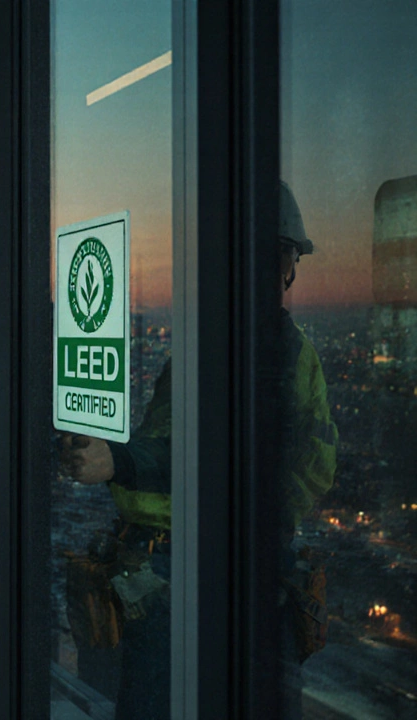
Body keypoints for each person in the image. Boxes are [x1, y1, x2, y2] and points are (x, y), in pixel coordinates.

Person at [59, 181, 337, 720]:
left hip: (196, 577)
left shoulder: (265, 354)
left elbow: (229, 456)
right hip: (208, 573)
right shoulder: (232, 345)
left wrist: (121, 460)